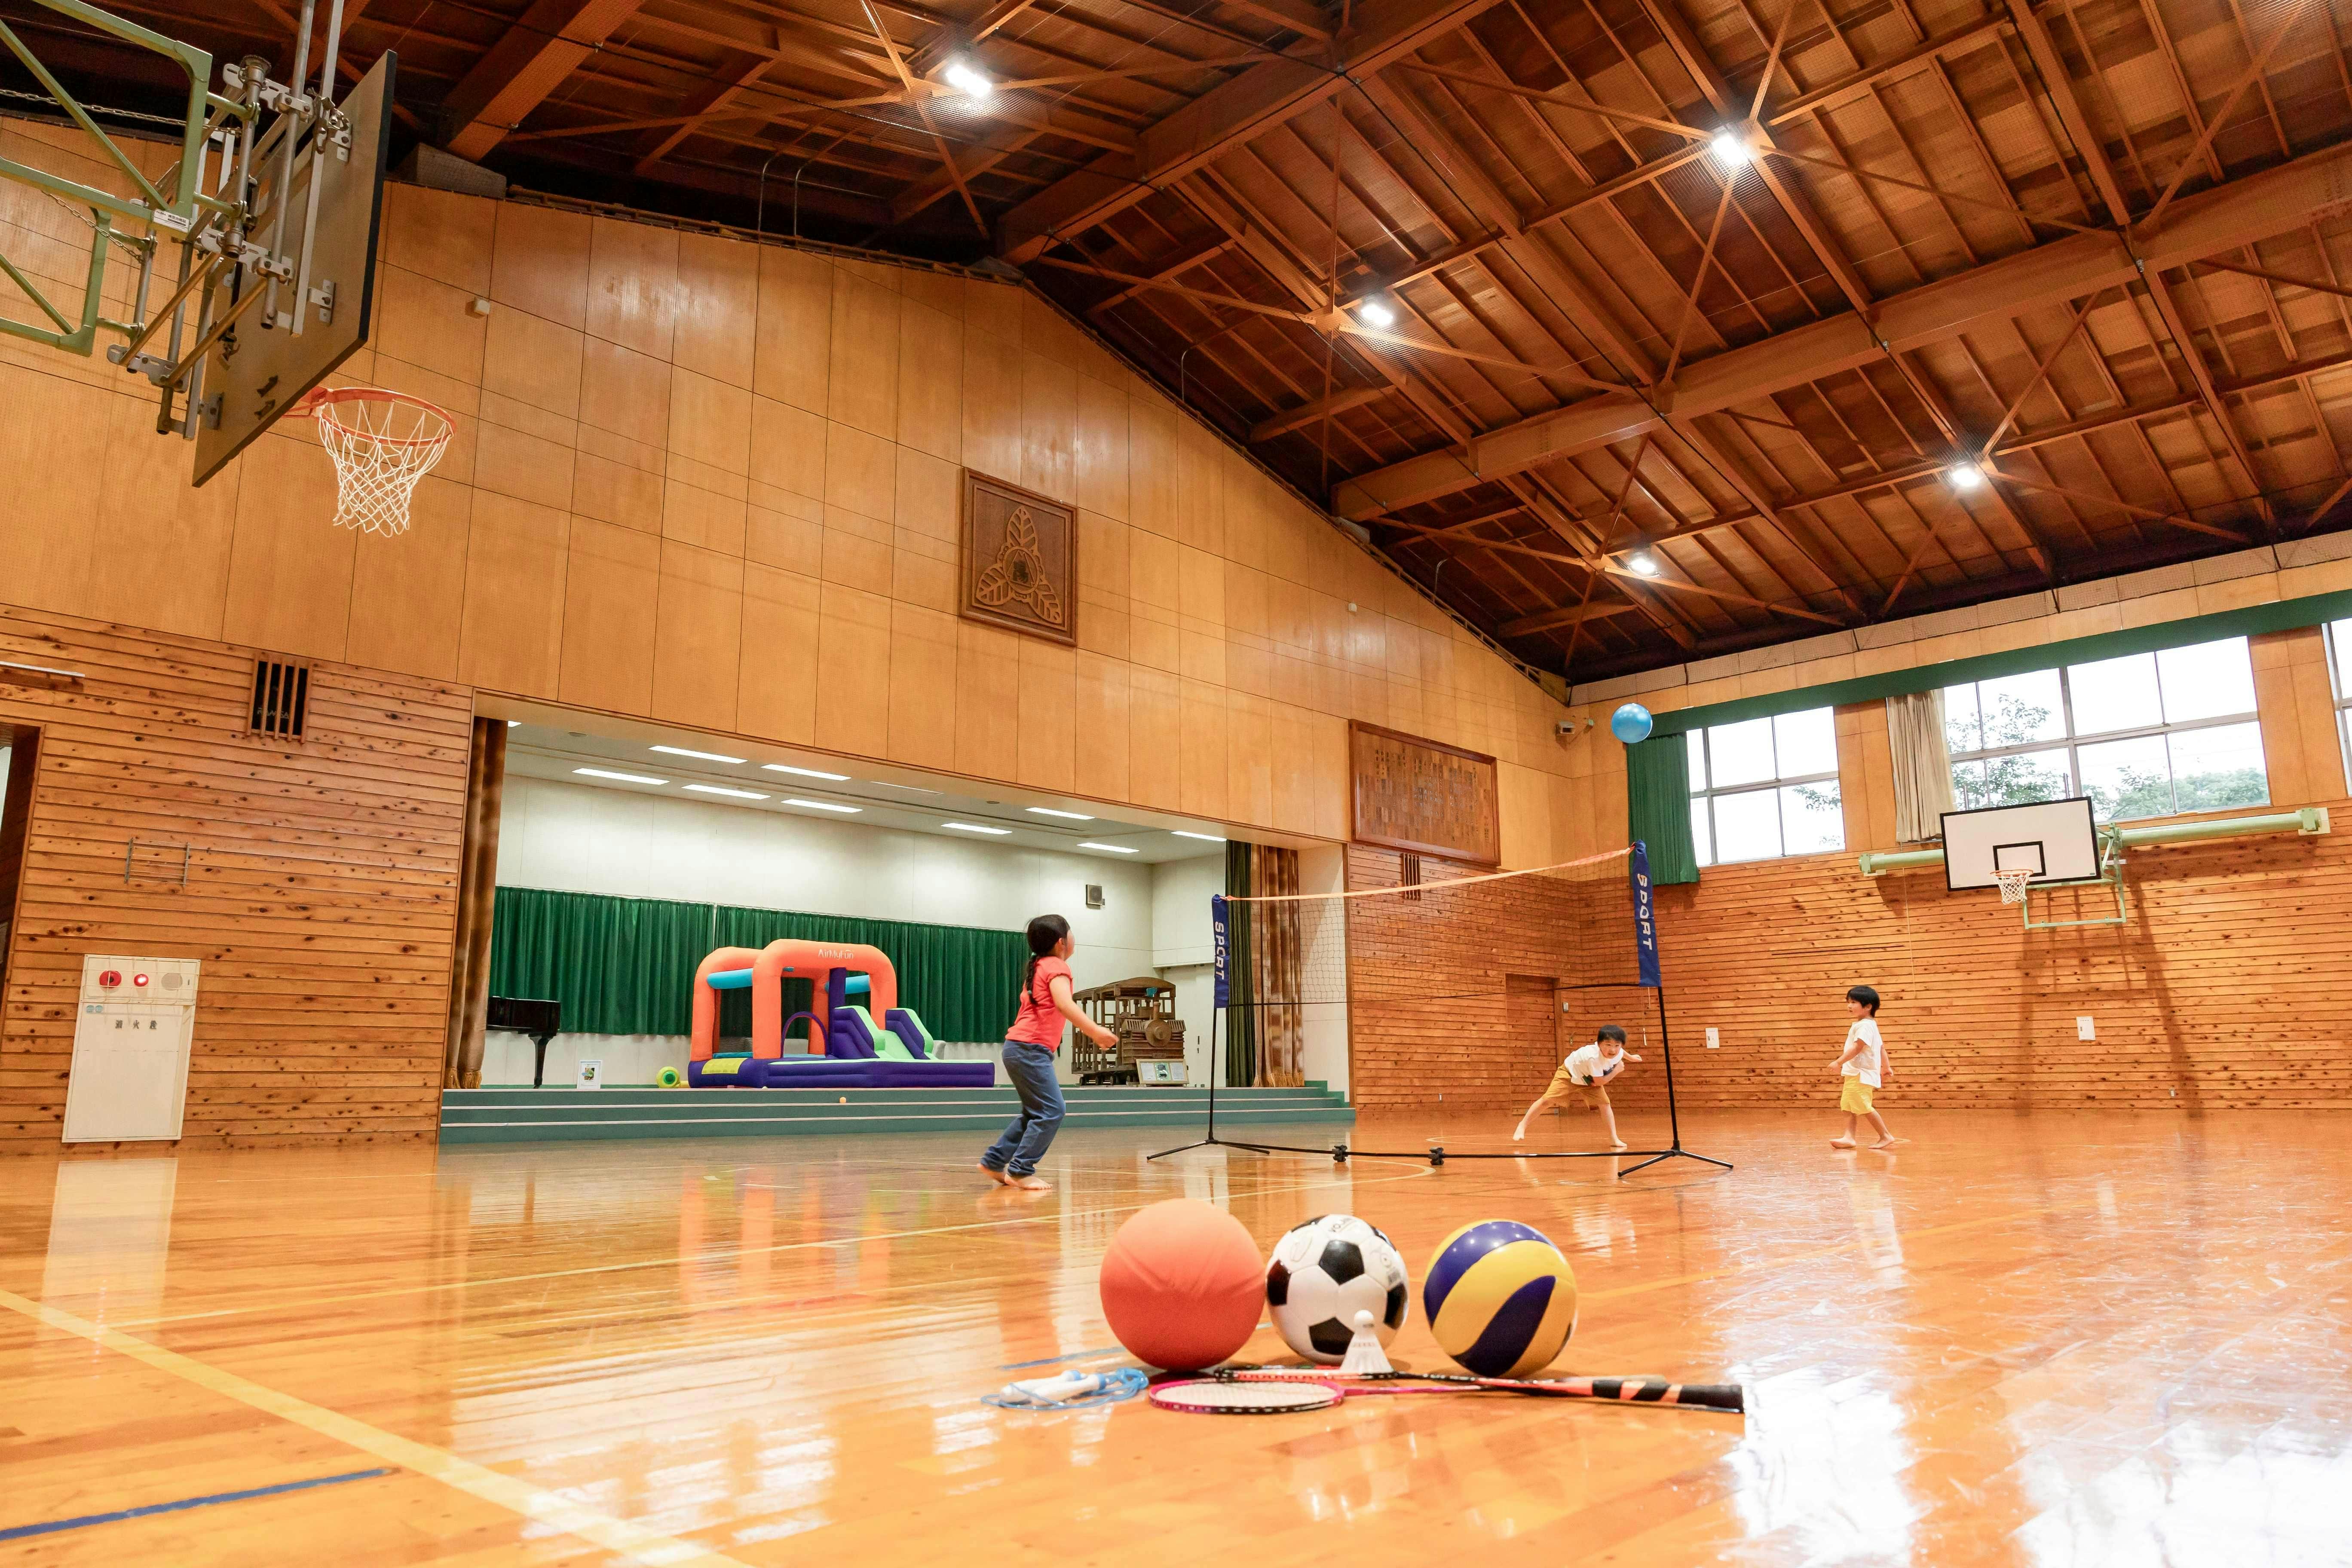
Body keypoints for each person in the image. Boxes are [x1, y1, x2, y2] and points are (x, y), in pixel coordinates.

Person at [979, 914, 1117, 1192]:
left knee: (1035, 1113)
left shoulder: (1039, 965)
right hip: (1029, 1049)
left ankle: (995, 1162)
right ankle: (1021, 1170)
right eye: (1071, 933)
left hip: (1018, 1048)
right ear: (1061, 942)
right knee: (1053, 1110)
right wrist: (1095, 1031)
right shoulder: (1056, 966)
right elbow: (1065, 1004)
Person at [1513, 1024, 1642, 1151]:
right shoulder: (1593, 1058)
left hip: (1589, 1079)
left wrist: (1632, 1058)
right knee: (1547, 1100)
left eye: (1617, 1046)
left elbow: (1621, 1053)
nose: (1613, 1050)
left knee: (1605, 1104)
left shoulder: (1618, 1052)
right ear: (1599, 1044)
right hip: (1570, 1074)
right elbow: (1599, 1082)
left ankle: (1614, 1138)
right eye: (1608, 1045)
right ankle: (1522, 1125)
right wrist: (1616, 1071)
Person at [1831, 984, 1907, 1151]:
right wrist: (1886, 1067)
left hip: (1861, 1074)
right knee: (1848, 1105)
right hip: (1855, 1073)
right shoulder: (1869, 1025)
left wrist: (1839, 1062)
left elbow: (1858, 1047)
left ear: (1868, 1007)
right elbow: (1881, 1048)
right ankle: (1849, 1137)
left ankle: (1885, 1135)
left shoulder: (1865, 1026)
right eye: (1848, 1002)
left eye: (1854, 1002)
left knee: (1863, 1105)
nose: (1849, 1006)